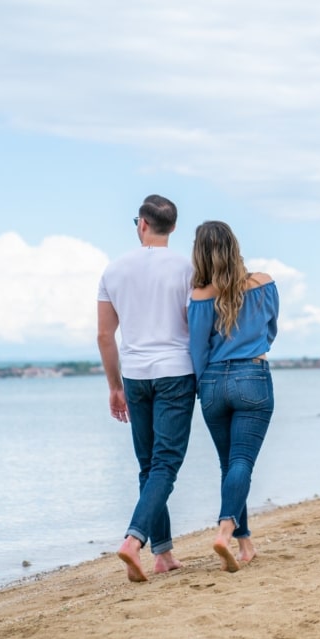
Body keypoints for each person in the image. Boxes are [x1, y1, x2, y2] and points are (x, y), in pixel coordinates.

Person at [97, 194, 197, 582]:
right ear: (172, 227)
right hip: (176, 371)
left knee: (149, 465)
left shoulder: (114, 270)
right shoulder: (188, 269)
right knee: (166, 464)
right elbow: (196, 324)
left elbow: (105, 335)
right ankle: (133, 541)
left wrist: (114, 385)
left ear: (142, 224)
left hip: (136, 375)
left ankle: (163, 553)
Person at [188, 221, 279, 572]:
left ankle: (245, 545)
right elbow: (271, 331)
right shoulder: (264, 283)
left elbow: (196, 350)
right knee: (241, 462)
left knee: (229, 466)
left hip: (212, 382)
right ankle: (225, 530)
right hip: (252, 376)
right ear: (234, 246)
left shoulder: (199, 296)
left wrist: (202, 387)